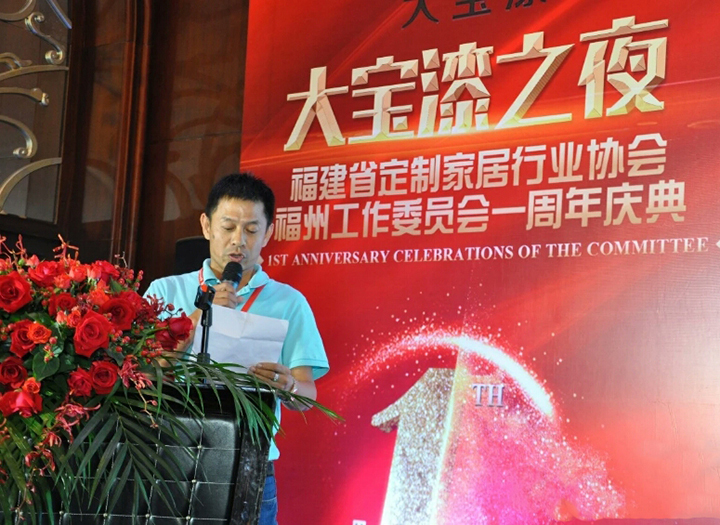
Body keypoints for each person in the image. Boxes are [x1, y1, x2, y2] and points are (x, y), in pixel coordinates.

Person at [144, 172, 329, 525]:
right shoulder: (164, 292)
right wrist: (199, 317)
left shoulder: (289, 302)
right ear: (206, 226)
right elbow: (141, 374)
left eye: (251, 230)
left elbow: (308, 395)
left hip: (250, 466)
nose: (238, 241)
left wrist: (288, 386)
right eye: (227, 227)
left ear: (268, 233)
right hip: (165, 460)